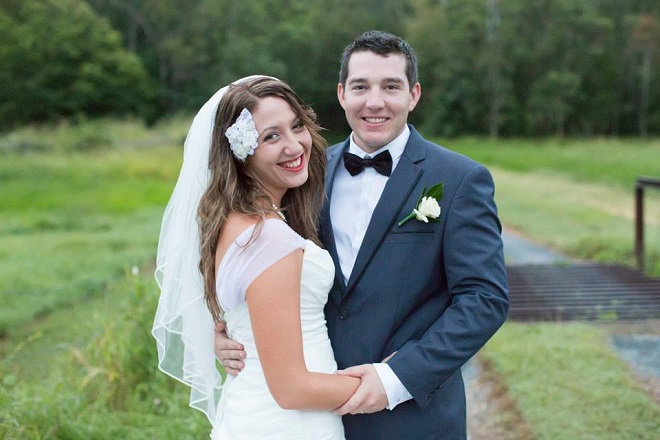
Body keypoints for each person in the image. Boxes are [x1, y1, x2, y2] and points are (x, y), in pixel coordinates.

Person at [215, 31, 510, 439]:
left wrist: (397, 377)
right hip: (310, 415)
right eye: (360, 87)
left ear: (413, 94)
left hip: (412, 419)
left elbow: (484, 299)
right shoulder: (303, 174)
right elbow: (254, 265)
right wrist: (228, 332)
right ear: (341, 94)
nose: (374, 102)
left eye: (390, 86)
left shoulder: (460, 179)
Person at [152, 76, 361, 440]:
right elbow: (292, 389)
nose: (294, 145)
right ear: (240, 150)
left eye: (297, 126)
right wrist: (381, 384)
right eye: (271, 136)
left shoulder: (230, 223)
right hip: (293, 424)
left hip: (253, 412)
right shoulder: (268, 237)